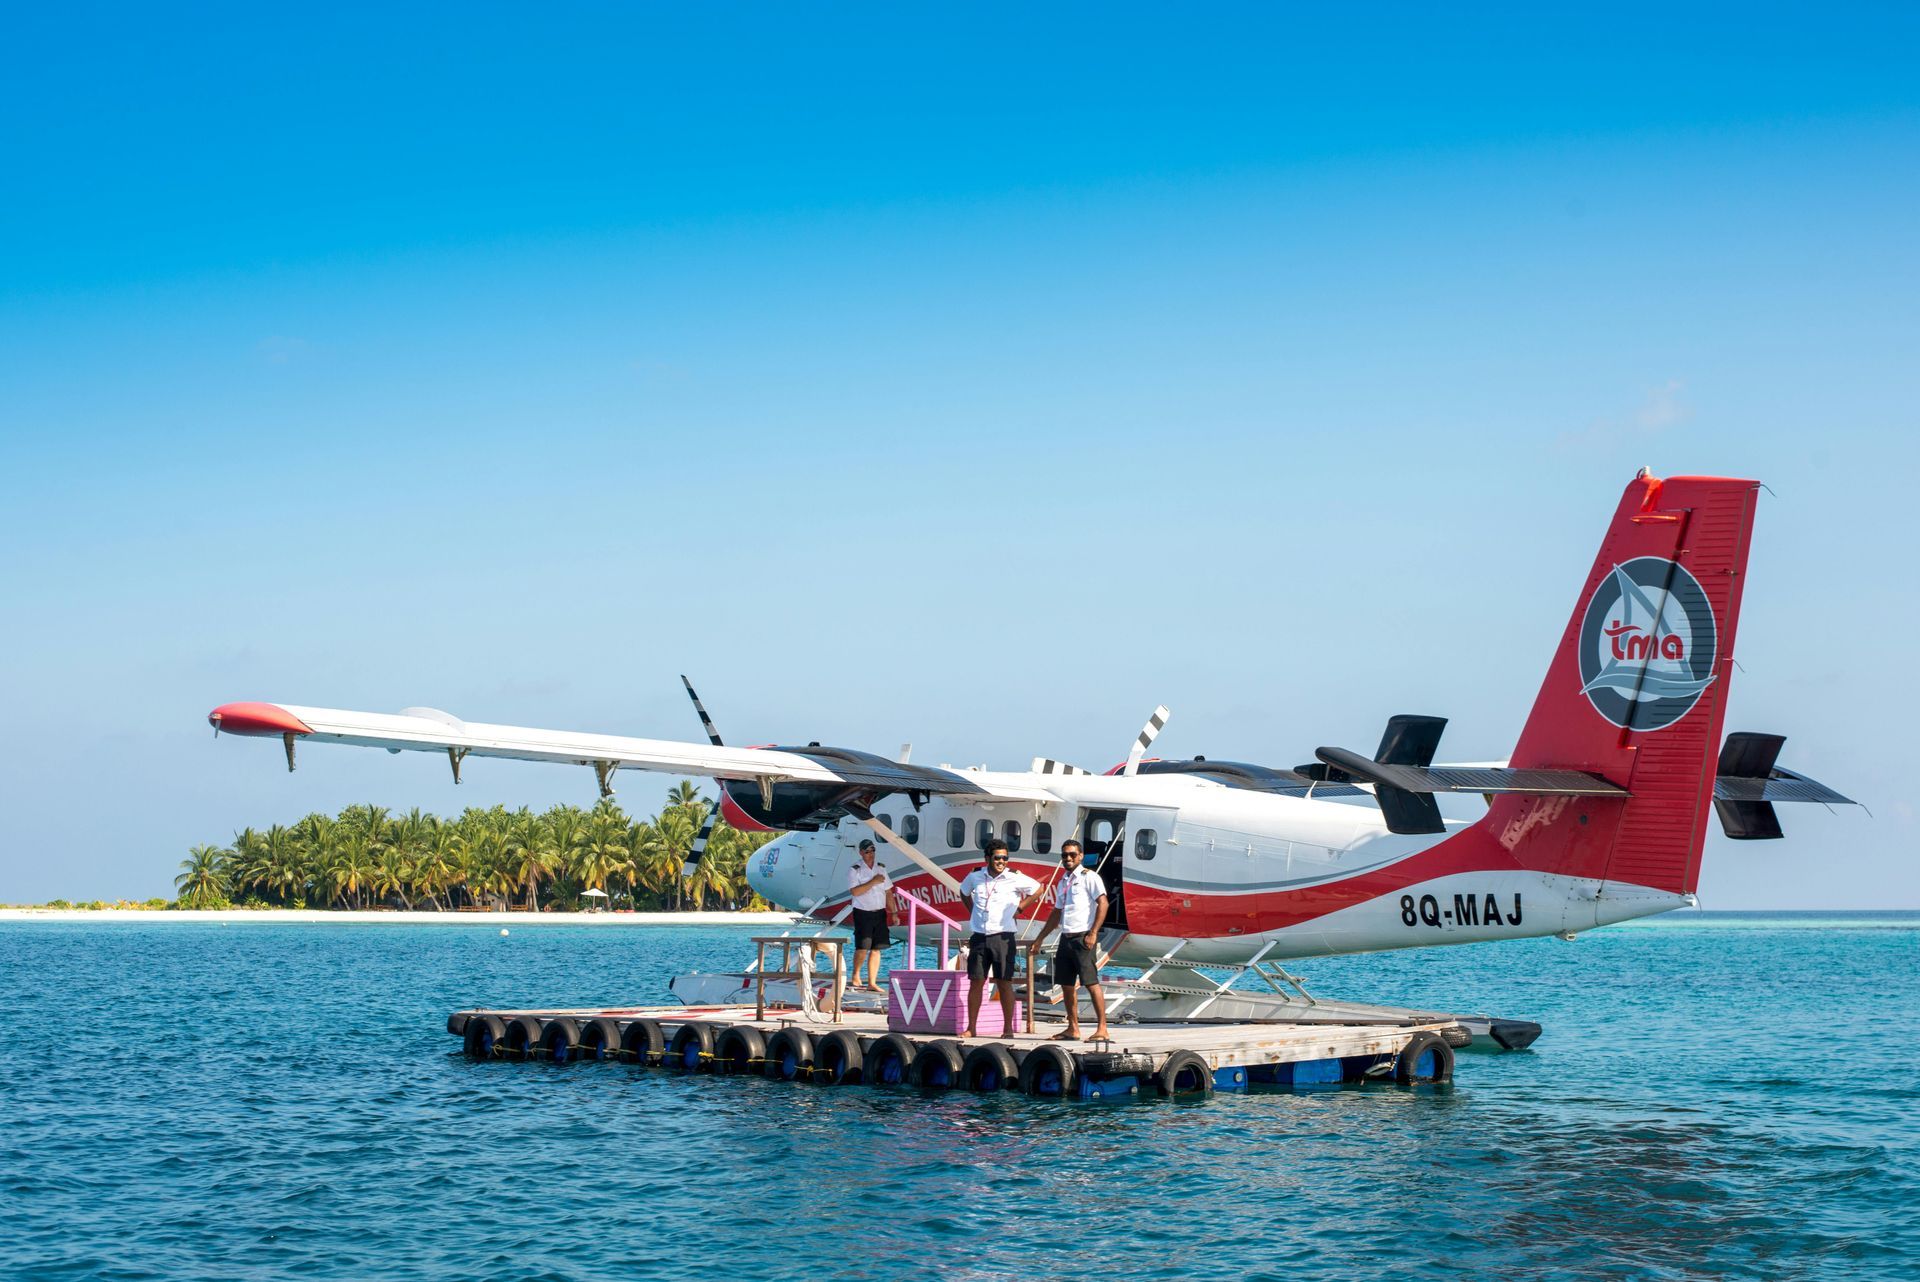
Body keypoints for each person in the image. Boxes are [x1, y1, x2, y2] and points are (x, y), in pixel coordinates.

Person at [958, 836, 1045, 1038]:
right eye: (997, 858)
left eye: (1005, 858)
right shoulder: (975, 876)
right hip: (979, 936)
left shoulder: (1013, 876)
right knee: (976, 982)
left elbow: (1038, 889)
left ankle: (1007, 1029)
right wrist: (972, 912)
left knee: (1004, 982)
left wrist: (1022, 907)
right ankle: (972, 1027)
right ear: (987, 858)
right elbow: (963, 892)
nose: (1001, 862)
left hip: (1003, 937)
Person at [1028, 839, 1111, 1041]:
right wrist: (1039, 939)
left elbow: (1104, 903)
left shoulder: (1089, 877)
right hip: (1065, 938)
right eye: (1065, 855)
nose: (1068, 858)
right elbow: (1057, 913)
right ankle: (1073, 1027)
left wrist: (1093, 933)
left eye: (1072, 854)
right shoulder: (1063, 881)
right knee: (1065, 984)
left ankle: (1102, 1028)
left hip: (1083, 938)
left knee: (1091, 983)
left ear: (1080, 856)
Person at [846, 837, 897, 993]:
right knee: (862, 947)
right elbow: (855, 891)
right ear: (861, 853)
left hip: (879, 912)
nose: (871, 854)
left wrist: (894, 912)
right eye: (867, 851)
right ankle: (855, 975)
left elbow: (888, 892)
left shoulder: (881, 868)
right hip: (863, 912)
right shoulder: (855, 869)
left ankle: (872, 982)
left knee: (877, 948)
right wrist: (873, 882)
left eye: (873, 850)